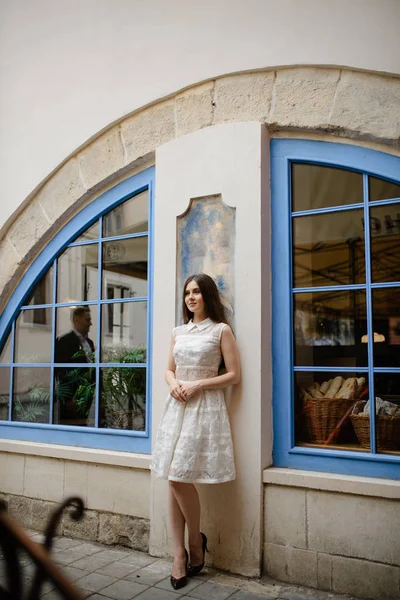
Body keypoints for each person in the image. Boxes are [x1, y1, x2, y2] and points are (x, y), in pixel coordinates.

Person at [152, 273, 241, 590]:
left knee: (178, 476)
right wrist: (175, 384)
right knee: (173, 478)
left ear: (208, 296)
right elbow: (167, 369)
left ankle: (193, 541)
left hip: (204, 409)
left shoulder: (220, 330)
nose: (191, 297)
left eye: (197, 292)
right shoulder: (179, 331)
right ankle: (180, 554)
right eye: (187, 293)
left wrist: (198, 384)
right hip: (177, 406)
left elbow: (233, 375)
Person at [54, 306, 95, 424]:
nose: (90, 323)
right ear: (77, 320)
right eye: (87, 320)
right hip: (71, 398)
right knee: (69, 426)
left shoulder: (89, 343)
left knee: (83, 423)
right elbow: (61, 371)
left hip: (86, 395)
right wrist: (67, 398)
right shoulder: (64, 341)